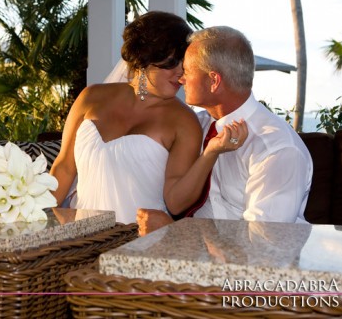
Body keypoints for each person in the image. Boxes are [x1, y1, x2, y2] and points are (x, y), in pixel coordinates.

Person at [50, 12, 248, 224]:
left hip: (139, 242)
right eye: (172, 63)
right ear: (146, 57)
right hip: (81, 240)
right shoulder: (91, 97)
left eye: (185, 65)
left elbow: (176, 203)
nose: (181, 75)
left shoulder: (184, 121)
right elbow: (64, 168)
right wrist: (32, 219)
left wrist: (211, 153)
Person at [137, 26, 313, 235]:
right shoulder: (195, 126)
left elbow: (261, 241)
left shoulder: (277, 149)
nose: (181, 79)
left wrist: (172, 233)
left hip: (256, 264)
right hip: (195, 257)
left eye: (188, 71)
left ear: (213, 81)